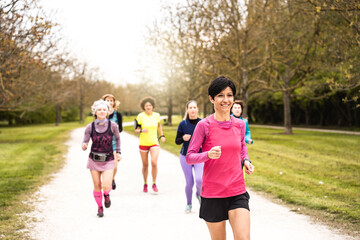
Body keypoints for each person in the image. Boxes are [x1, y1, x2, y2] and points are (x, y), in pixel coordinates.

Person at [186, 76, 255, 240]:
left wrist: (246, 160)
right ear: (211, 98)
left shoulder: (240, 124)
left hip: (237, 190)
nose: (226, 100)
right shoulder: (204, 125)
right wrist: (207, 155)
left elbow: (242, 146)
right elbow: (190, 157)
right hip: (213, 193)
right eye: (220, 95)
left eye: (229, 95)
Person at [82, 99, 121, 217]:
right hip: (94, 160)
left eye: (104, 109)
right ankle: (100, 207)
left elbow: (118, 139)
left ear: (107, 111)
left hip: (109, 159)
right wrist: (84, 145)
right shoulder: (90, 127)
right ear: (95, 112)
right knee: (97, 185)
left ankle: (107, 195)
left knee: (106, 185)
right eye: (99, 109)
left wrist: (118, 152)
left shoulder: (113, 125)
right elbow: (85, 140)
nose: (102, 111)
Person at [175, 100, 204, 213]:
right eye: (190, 108)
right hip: (185, 156)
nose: (192, 109)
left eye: (194, 107)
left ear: (197, 109)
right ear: (187, 110)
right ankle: (189, 204)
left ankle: (199, 194)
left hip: (199, 156)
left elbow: (208, 139)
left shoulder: (202, 123)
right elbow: (177, 141)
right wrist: (183, 138)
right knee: (189, 182)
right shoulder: (183, 124)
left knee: (199, 179)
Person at [135, 96, 166, 193]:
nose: (148, 107)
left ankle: (154, 183)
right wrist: (141, 130)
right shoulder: (140, 116)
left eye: (150, 105)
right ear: (144, 107)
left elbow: (159, 126)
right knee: (145, 165)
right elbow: (136, 130)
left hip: (154, 142)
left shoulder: (156, 115)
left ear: (152, 106)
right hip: (143, 143)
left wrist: (162, 136)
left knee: (154, 162)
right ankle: (145, 183)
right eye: (146, 105)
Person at [102, 94, 123, 190]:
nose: (110, 102)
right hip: (102, 143)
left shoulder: (118, 115)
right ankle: (107, 181)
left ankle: (112, 179)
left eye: (111, 100)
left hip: (114, 143)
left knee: (114, 166)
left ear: (114, 102)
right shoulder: (101, 113)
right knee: (104, 165)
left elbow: (121, 129)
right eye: (107, 100)